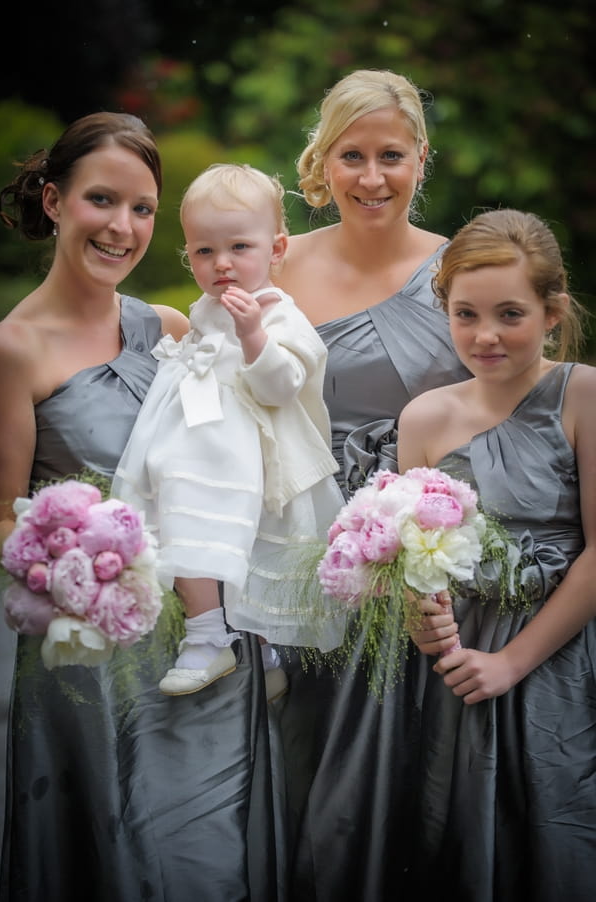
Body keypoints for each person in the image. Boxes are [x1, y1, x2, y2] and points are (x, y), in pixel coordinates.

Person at [0, 114, 281, 902]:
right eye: (102, 200)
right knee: (116, 855)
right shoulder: (13, 349)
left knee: (209, 859)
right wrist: (76, 572)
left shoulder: (173, 328)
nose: (123, 227)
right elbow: (0, 513)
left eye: (144, 208)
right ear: (54, 202)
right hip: (92, 653)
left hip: (204, 643)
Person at [271, 69, 471, 900]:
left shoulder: (463, 265)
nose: (372, 176)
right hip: (305, 555)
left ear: (422, 159)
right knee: (313, 774)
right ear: (323, 161)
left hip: (428, 557)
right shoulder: (276, 264)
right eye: (351, 155)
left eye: (391, 154)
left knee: (422, 776)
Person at [397, 208, 596, 902]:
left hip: (563, 659)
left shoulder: (583, 395)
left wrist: (512, 662)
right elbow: (416, 560)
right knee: (465, 840)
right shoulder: (423, 419)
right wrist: (424, 617)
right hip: (460, 670)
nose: (485, 335)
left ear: (551, 311)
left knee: (558, 832)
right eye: (465, 314)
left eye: (510, 313)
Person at [112, 162, 345, 699]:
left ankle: (260, 648)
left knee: (252, 547)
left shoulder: (278, 314)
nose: (221, 264)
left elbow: (283, 385)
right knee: (185, 521)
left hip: (254, 458)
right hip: (206, 447)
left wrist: (253, 335)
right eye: (203, 251)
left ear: (276, 250)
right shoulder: (206, 310)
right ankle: (206, 633)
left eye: (239, 247)